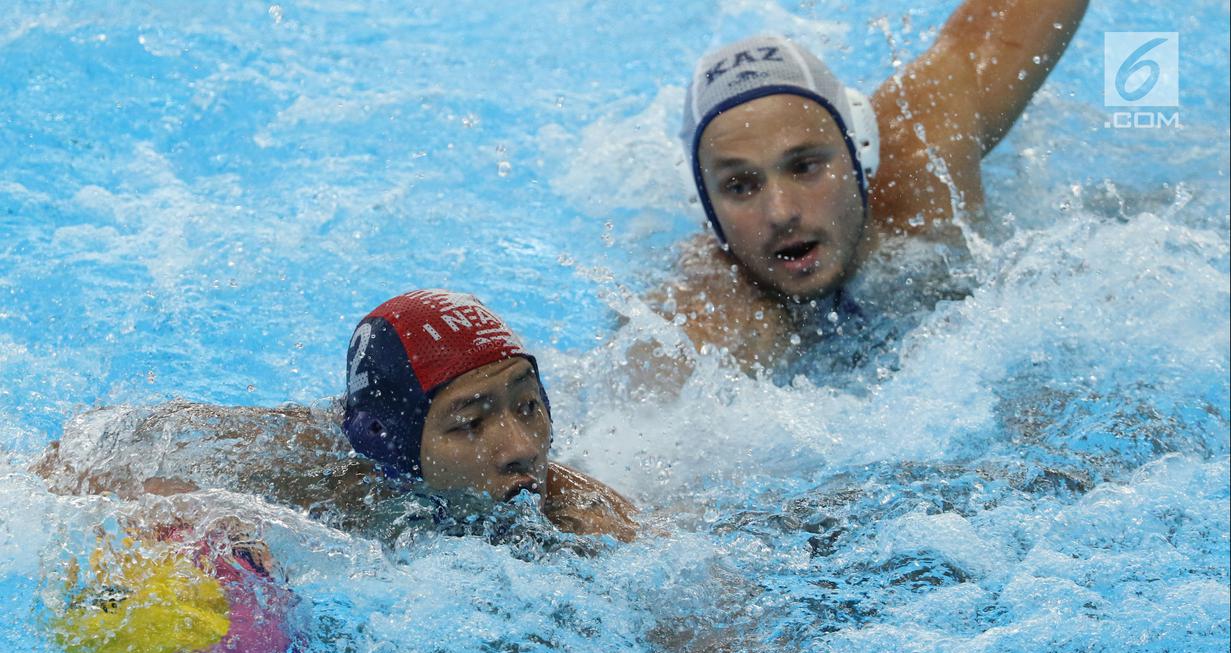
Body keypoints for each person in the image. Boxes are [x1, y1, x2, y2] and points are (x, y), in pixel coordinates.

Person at [660, 0, 1089, 369]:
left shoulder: (923, 153)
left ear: (860, 152)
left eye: (805, 167)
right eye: (740, 186)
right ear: (706, 207)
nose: (781, 212)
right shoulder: (712, 311)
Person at [33, 289, 638, 543]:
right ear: (388, 441)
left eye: (528, 406)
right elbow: (69, 466)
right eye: (470, 423)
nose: (521, 447)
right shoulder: (304, 464)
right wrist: (170, 509)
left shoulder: (578, 517)